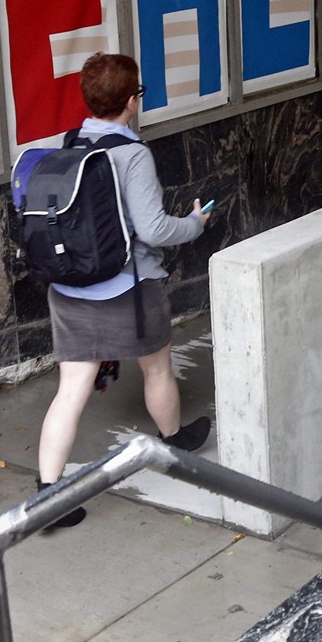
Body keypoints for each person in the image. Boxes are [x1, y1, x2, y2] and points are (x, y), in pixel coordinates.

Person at [36, 52, 211, 528]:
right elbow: (153, 229)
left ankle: (48, 498)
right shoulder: (132, 154)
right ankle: (172, 441)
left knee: (71, 389)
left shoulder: (69, 143)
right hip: (129, 289)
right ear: (132, 101)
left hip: (71, 287)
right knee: (156, 368)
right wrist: (194, 224)